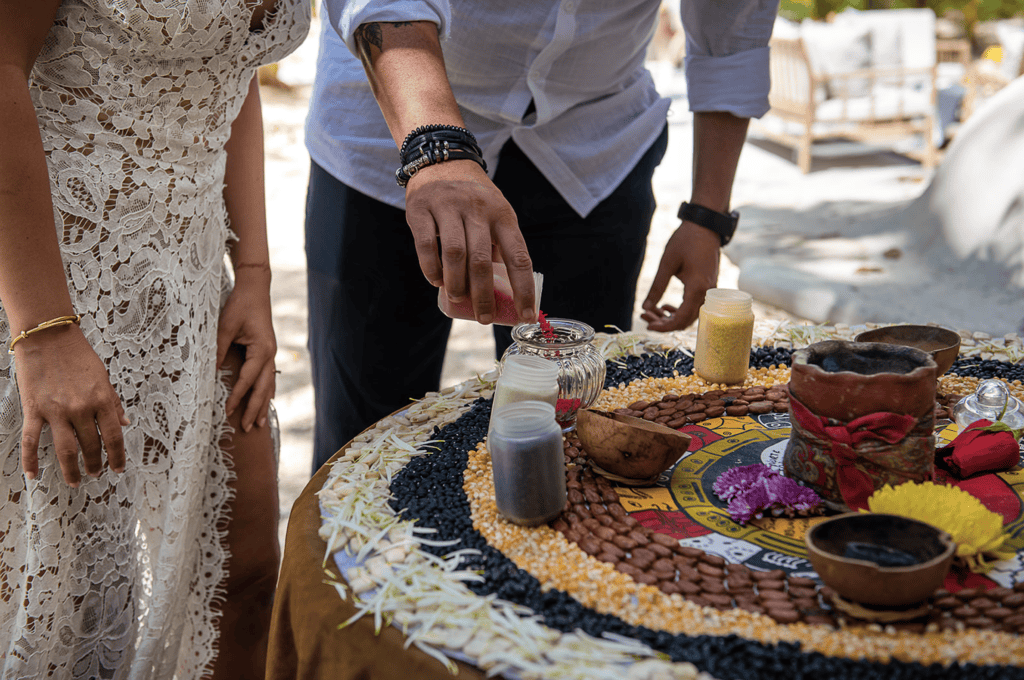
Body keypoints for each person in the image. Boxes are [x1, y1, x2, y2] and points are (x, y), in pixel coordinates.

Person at [306, 0, 778, 471]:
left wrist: (707, 216)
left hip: (594, 150)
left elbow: (733, 31)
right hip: (398, 134)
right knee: (367, 438)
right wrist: (437, 151)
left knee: (577, 435)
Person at [0, 1, 309, 678]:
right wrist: (43, 333)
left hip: (199, 281)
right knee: (75, 609)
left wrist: (252, 272)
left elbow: (233, 62)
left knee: (247, 579)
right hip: (55, 277)